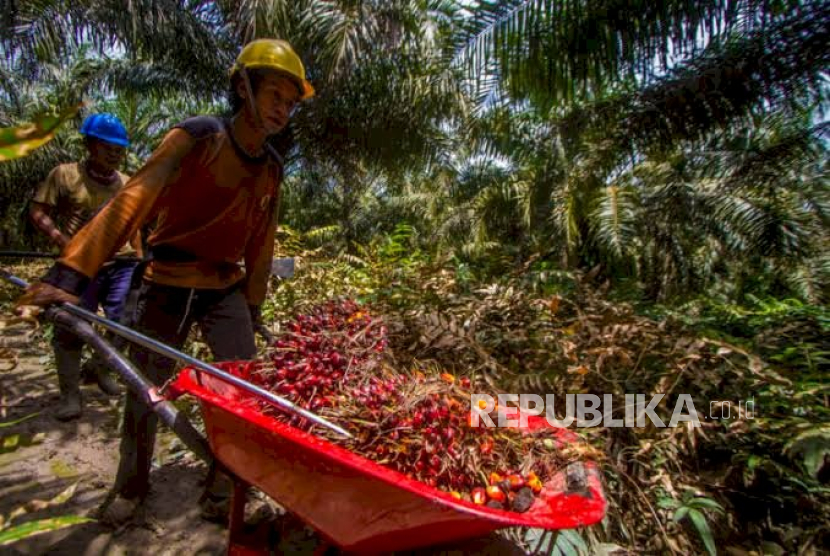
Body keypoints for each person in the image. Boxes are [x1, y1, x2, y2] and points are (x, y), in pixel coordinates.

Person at [15, 38, 314, 525]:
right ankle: (131, 487)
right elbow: (131, 201)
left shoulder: (272, 168)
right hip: (167, 278)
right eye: (274, 95)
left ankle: (223, 488)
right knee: (145, 387)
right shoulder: (197, 137)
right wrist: (70, 274)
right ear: (243, 87)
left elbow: (262, 241)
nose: (282, 109)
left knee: (243, 393)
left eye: (290, 101)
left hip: (224, 288)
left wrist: (253, 307)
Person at [28, 113, 140, 421]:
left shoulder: (127, 184)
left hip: (121, 264)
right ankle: (70, 395)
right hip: (78, 265)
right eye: (108, 148)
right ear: (90, 145)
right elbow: (38, 211)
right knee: (71, 325)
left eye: (119, 150)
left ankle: (100, 368)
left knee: (124, 322)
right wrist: (62, 240)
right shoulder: (64, 175)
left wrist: (140, 256)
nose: (115, 155)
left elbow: (134, 227)